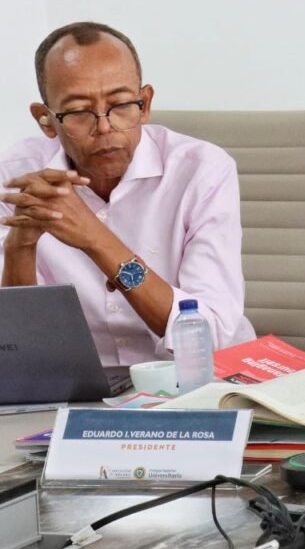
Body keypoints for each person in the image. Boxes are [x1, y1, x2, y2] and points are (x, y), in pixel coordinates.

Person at [0, 22, 255, 366]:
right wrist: (20, 247)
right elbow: (21, 350)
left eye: (121, 105)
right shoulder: (15, 178)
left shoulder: (202, 171)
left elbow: (211, 335)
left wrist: (96, 239)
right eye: (79, 112)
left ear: (144, 104)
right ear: (46, 120)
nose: (105, 127)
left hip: (197, 376)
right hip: (85, 382)